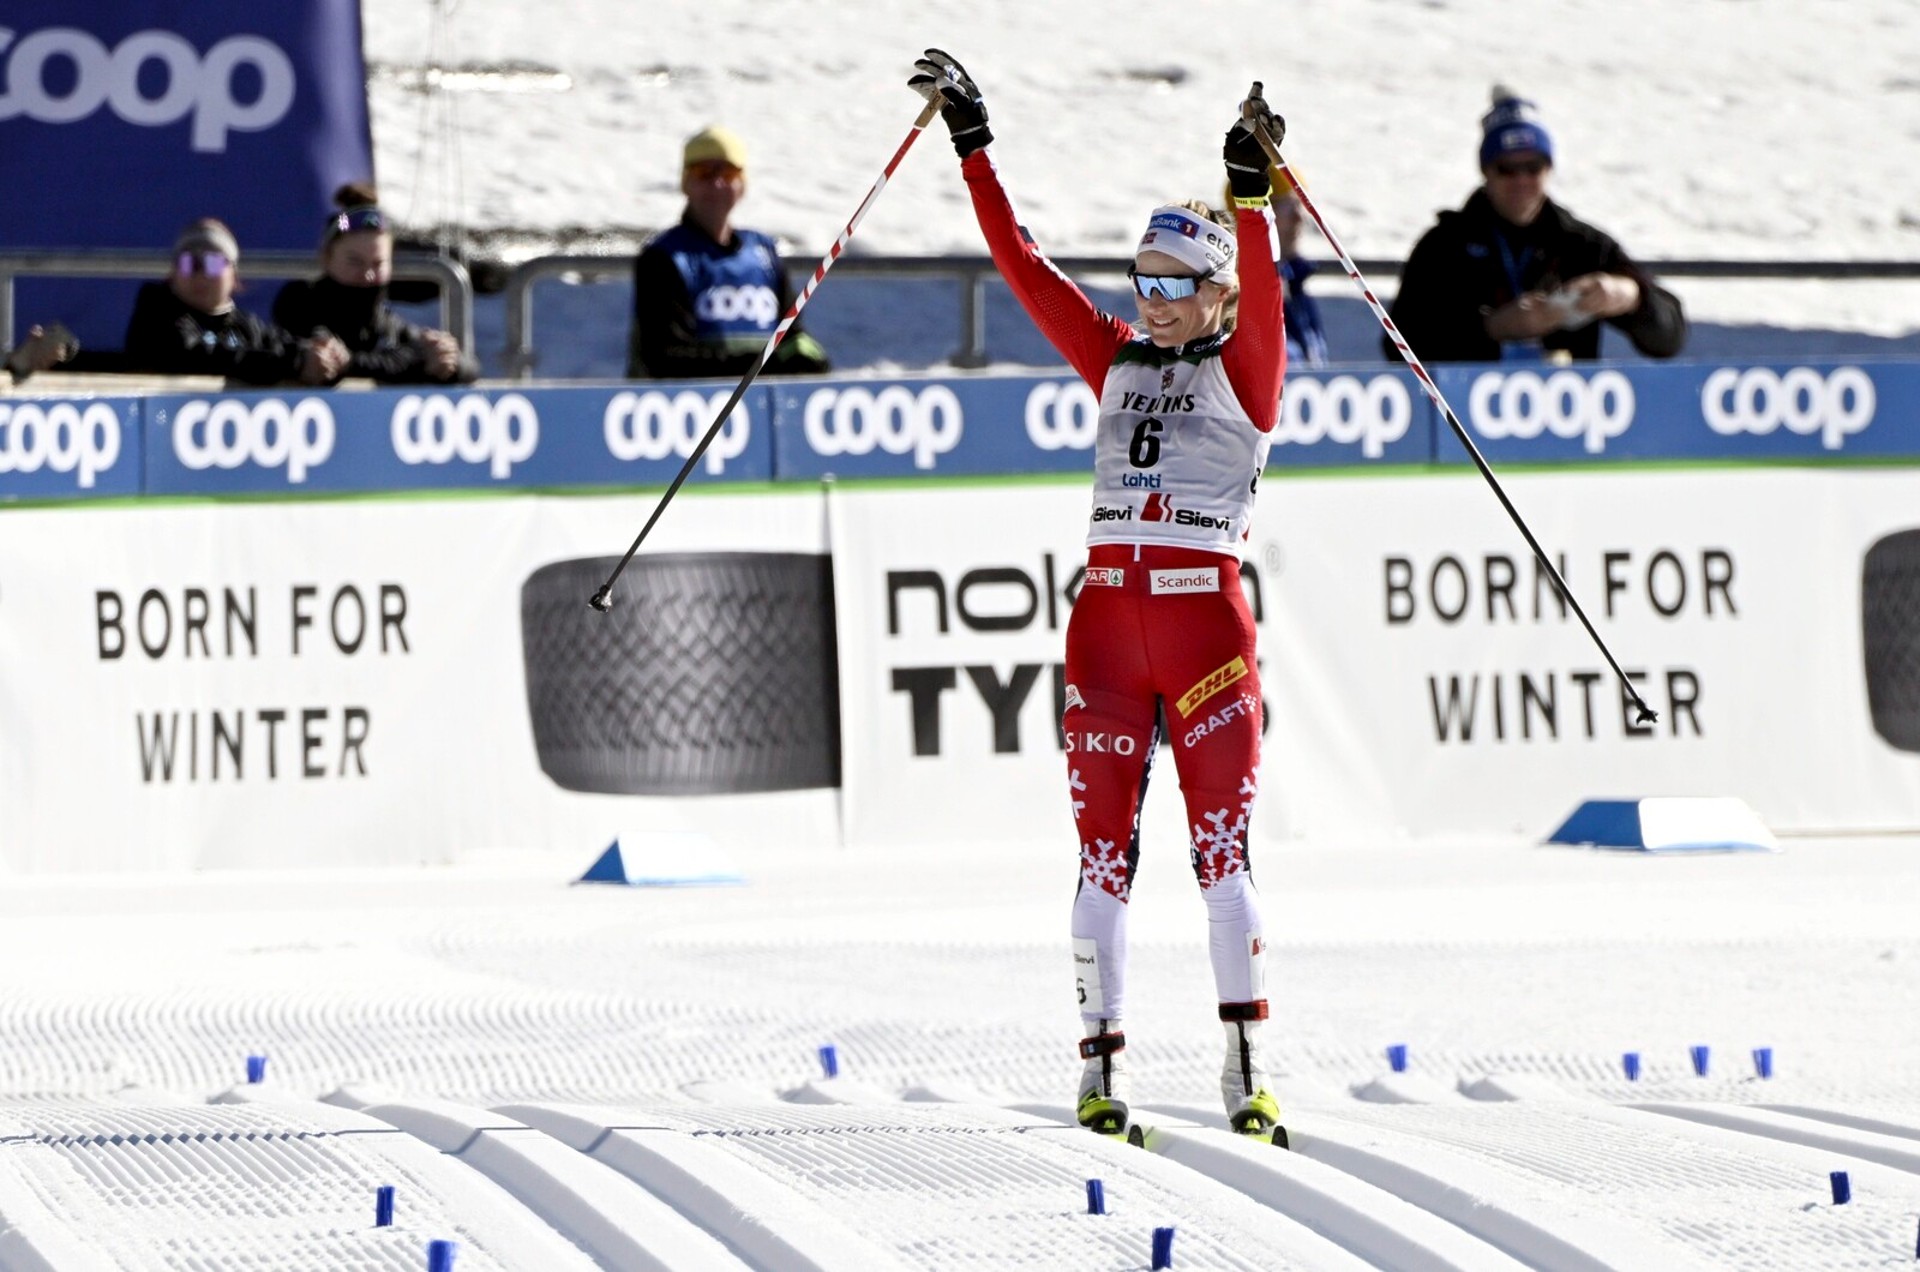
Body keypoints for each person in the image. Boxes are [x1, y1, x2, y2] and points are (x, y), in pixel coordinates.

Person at [910, 50, 1288, 1141]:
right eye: (1142, 281)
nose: (1152, 301)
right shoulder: (1115, 357)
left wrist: (1251, 194)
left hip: (1204, 624)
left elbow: (1262, 294)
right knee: (1101, 859)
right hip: (1106, 635)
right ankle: (1100, 1072)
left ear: (1215, 289)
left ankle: (1245, 1069)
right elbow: (1024, 270)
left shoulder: (1247, 371)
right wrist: (973, 143)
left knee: (1221, 853)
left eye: (1175, 284)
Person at [1385, 87, 1687, 363]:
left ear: (1549, 168)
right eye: (1507, 169)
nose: (1521, 180)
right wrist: (1492, 328)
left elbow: (1668, 339)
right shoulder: (1444, 245)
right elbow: (1397, 346)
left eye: (1533, 167)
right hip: (1467, 409)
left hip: (1567, 409)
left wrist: (1631, 295)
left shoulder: (1580, 244)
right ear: (1486, 170)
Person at [627, 125, 830, 380]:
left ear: (742, 185)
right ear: (686, 183)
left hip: (761, 403)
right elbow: (663, 357)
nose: (717, 183)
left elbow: (791, 335)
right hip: (688, 407)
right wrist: (762, 364)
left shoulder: (763, 253)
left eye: (729, 172)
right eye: (703, 173)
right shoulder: (665, 257)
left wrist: (806, 358)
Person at [273, 183, 479, 385]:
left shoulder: (386, 323)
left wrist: (445, 359)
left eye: (378, 264)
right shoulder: (299, 301)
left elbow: (469, 368)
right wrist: (412, 362)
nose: (368, 275)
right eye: (355, 262)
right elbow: (317, 354)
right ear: (326, 258)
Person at [122, 220, 349, 385]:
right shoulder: (156, 315)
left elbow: (284, 346)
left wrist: (326, 356)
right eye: (189, 263)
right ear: (172, 272)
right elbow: (192, 356)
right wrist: (295, 362)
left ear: (234, 275)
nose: (201, 275)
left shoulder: (246, 325)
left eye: (213, 264)